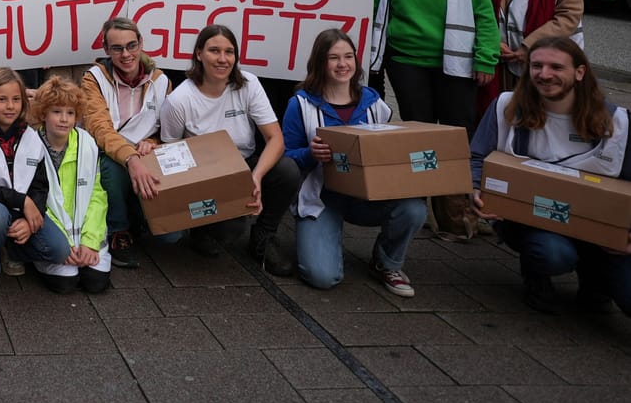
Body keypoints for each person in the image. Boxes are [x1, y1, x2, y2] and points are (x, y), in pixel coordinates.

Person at [470, 37, 631, 315]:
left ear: (580, 73)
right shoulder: (507, 106)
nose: (544, 75)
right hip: (532, 222)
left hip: (600, 230)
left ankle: (596, 277)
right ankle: (537, 276)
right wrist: (473, 190)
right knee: (552, 254)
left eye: (556, 67)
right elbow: (476, 157)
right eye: (536, 66)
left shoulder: (618, 121)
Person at [370, 0, 501, 241]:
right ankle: (422, 209)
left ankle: (456, 215)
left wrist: (486, 57)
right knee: (421, 138)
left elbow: (484, 13)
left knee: (458, 138)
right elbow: (374, 7)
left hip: (455, 63)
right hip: (406, 63)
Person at [284, 29, 426, 296]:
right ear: (320, 62)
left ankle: (386, 263)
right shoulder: (300, 104)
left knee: (414, 210)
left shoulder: (375, 104)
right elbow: (286, 157)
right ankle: (323, 239)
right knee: (322, 277)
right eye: (333, 58)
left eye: (348, 56)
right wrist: (309, 154)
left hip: (367, 198)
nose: (342, 64)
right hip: (323, 197)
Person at [158, 24, 299, 275]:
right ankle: (202, 229)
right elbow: (169, 153)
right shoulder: (179, 100)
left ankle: (264, 237)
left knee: (287, 170)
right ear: (199, 54)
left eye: (229, 52)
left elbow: (275, 139)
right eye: (214, 51)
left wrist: (255, 179)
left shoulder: (249, 84)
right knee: (229, 232)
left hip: (245, 163)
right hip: (203, 175)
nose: (223, 59)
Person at [0, 68, 71, 304]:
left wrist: (30, 219)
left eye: (16, 99)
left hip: (20, 211)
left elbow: (40, 185)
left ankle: (9, 248)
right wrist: (23, 202)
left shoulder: (30, 135)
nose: (10, 106)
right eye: (1, 99)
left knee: (59, 251)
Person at [81, 17, 171, 269]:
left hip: (147, 157)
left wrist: (152, 142)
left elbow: (170, 129)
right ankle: (118, 229)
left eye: (132, 45)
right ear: (106, 50)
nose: (126, 54)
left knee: (171, 237)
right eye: (117, 48)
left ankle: (138, 216)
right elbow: (99, 128)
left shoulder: (162, 80)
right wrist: (131, 157)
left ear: (141, 44)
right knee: (110, 165)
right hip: (110, 157)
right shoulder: (94, 78)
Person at [32, 77, 111, 294]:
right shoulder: (30, 146)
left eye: (70, 113)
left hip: (85, 232)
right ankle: (43, 254)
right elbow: (36, 201)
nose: (64, 119)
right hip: (54, 232)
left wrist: (90, 242)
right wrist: (64, 245)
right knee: (65, 285)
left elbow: (97, 195)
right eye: (56, 112)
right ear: (43, 114)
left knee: (96, 282)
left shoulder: (87, 144)